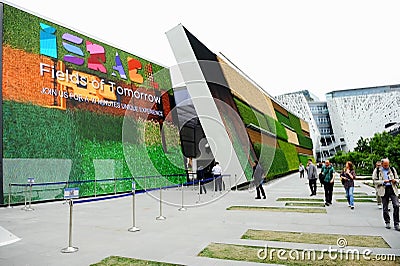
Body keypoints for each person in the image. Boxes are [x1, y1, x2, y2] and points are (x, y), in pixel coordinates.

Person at [373, 158, 400, 230]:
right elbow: (374, 181)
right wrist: (383, 181)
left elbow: (397, 178)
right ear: (382, 164)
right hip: (383, 189)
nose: (386, 166)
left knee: (396, 205)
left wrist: (395, 181)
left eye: (387, 165)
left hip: (392, 189)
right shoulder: (377, 170)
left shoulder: (392, 169)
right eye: (385, 165)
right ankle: (387, 222)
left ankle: (396, 223)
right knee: (385, 207)